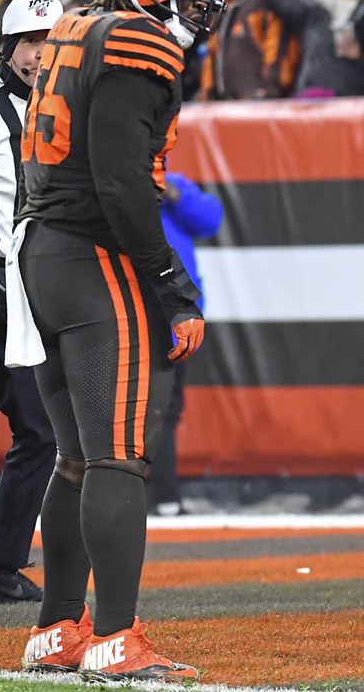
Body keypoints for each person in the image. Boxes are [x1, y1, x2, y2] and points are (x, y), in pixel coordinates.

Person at [13, 0, 223, 681]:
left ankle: (57, 630)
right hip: (92, 255)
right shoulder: (139, 37)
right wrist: (171, 284)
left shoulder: (73, 26)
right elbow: (121, 181)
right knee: (118, 456)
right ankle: (113, 635)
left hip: (43, 248)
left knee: (75, 456)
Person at [0, 0, 59, 604]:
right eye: (31, 42)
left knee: (39, 429)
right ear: (7, 48)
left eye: (50, 41)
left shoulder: (67, 106)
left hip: (26, 284)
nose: (40, 54)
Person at [149, 172, 222, 516]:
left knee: (166, 406)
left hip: (177, 315)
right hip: (138, 309)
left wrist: (175, 195)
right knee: (142, 406)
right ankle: (150, 493)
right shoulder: (112, 177)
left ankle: (162, 494)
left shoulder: (169, 180)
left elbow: (210, 219)